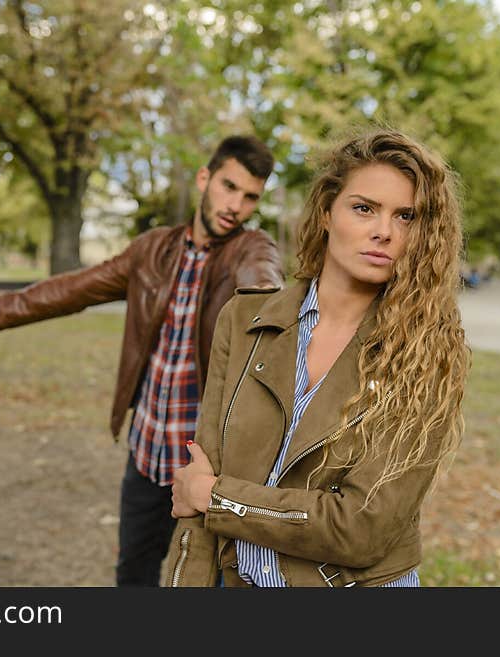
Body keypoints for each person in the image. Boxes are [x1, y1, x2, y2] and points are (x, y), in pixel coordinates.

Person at [0, 135, 284, 586]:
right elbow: (75, 288)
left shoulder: (251, 249)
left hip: (209, 466)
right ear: (205, 178)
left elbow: (263, 288)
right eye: (229, 187)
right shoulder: (151, 249)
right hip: (147, 454)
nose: (236, 205)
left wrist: (269, 307)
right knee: (133, 573)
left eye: (250, 198)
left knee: (215, 582)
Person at [166, 127, 470, 587]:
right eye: (364, 208)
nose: (384, 232)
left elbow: (358, 528)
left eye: (406, 216)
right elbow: (196, 495)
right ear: (327, 213)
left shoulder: (429, 354)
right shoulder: (244, 320)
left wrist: (219, 500)